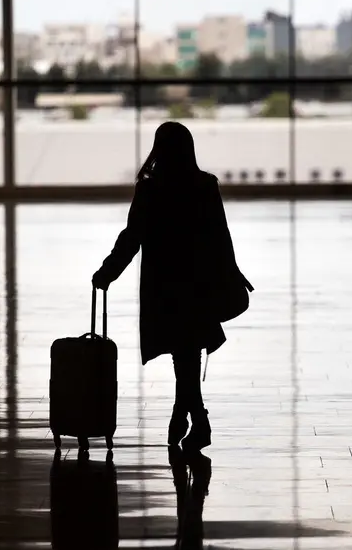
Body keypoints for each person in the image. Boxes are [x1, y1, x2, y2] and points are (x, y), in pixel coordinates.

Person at [92, 121, 251, 451]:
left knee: (183, 352)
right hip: (197, 284)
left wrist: (108, 272)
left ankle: (194, 418)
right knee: (187, 351)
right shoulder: (205, 185)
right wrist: (231, 273)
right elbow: (220, 237)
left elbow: (132, 237)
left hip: (164, 286)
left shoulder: (150, 189)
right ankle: (186, 414)